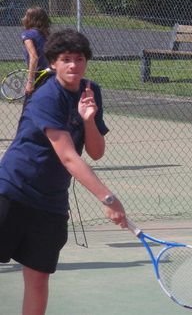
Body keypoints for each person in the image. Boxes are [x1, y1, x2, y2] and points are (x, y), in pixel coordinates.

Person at [0, 28, 128, 315]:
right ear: (54, 63)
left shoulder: (90, 91)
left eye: (79, 59)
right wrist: (108, 198)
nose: (73, 65)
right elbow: (69, 157)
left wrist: (89, 120)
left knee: (38, 278)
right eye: (66, 59)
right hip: (12, 189)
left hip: (50, 202)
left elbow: (95, 152)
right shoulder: (47, 96)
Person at [21, 6, 51, 97]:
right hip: (50, 74)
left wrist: (30, 81)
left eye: (26, 15)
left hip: (38, 76)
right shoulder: (47, 35)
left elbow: (34, 57)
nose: (24, 18)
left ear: (30, 19)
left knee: (30, 106)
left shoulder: (27, 34)